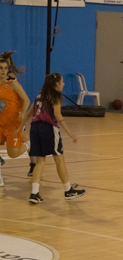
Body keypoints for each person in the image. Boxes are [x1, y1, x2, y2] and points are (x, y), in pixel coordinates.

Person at [14, 72, 85, 203]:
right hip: (48, 129)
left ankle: (34, 193)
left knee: (40, 161)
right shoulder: (56, 96)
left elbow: (28, 114)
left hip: (35, 129)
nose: (63, 84)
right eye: (62, 82)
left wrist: (19, 129)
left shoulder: (39, 96)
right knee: (59, 159)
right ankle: (68, 190)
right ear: (56, 84)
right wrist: (69, 132)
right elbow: (57, 115)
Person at [1, 50, 35, 176]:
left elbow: (25, 99)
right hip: (5, 116)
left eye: (6, 65)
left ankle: (34, 164)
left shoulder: (11, 78)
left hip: (15, 114)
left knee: (25, 140)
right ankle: (34, 164)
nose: (4, 69)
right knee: (26, 139)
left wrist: (22, 114)